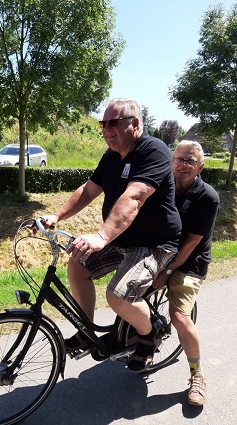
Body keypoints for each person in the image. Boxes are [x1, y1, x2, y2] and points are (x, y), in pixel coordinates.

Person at [42, 98, 181, 372]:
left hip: (154, 243)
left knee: (118, 295)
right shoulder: (111, 156)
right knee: (78, 263)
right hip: (122, 239)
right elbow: (89, 190)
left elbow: (135, 196)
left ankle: (148, 335)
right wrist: (57, 215)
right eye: (102, 124)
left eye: (113, 123)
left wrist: (102, 236)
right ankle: (85, 331)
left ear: (135, 123)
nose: (106, 129)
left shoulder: (153, 151)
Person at [153, 140, 219, 406]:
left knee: (179, 316)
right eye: (178, 159)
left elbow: (191, 243)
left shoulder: (207, 197)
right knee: (126, 290)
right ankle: (142, 339)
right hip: (161, 251)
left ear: (200, 166)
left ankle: (197, 374)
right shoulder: (163, 185)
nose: (182, 165)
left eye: (189, 161)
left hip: (190, 261)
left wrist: (167, 272)